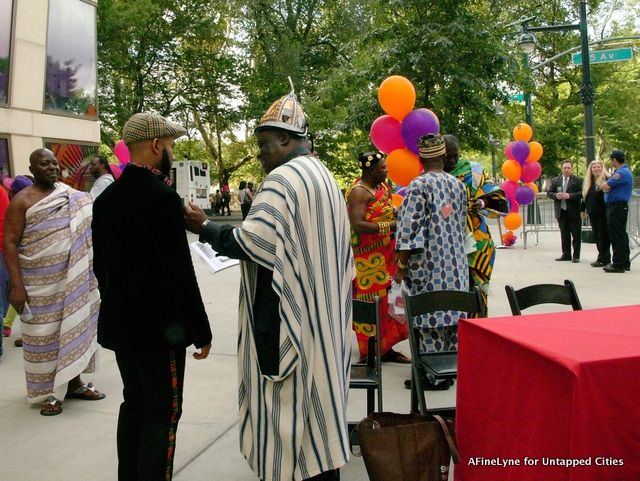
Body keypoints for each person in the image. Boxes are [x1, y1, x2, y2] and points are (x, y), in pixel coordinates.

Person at [184, 86, 353, 481]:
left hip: (287, 322)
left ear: (286, 138)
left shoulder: (283, 179)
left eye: (263, 144)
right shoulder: (324, 175)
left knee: (289, 421)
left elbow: (251, 242)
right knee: (320, 417)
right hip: (324, 318)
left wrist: (204, 227)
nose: (259, 153)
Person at [91, 112, 212, 481]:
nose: (172, 152)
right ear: (157, 145)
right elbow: (179, 275)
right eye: (171, 145)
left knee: (135, 405)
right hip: (160, 334)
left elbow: (102, 268)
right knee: (163, 413)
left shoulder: (107, 198)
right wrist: (201, 329)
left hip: (122, 328)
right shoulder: (163, 199)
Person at [3, 149, 104, 415]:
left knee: (75, 327)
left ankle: (75, 384)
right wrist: (16, 285)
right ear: (32, 168)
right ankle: (47, 393)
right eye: (44, 163)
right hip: (38, 285)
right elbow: (10, 243)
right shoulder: (22, 201)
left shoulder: (71, 197)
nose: (52, 167)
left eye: (54, 163)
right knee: (42, 337)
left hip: (74, 279)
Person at [395, 134, 468, 391]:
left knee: (428, 322)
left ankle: (430, 376)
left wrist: (401, 267)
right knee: (450, 319)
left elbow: (408, 233)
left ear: (420, 158)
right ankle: (447, 371)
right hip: (456, 268)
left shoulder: (418, 186)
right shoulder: (458, 186)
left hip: (428, 267)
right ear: (442, 156)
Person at [346, 151, 409, 363]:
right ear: (371, 170)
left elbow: (387, 209)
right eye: (383, 168)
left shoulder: (383, 187)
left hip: (388, 254)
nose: (386, 171)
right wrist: (390, 226)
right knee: (370, 301)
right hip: (367, 259)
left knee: (388, 299)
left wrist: (398, 213)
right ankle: (370, 351)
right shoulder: (358, 193)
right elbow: (357, 224)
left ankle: (386, 347)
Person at [443, 135, 507, 309]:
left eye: (455, 155)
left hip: (478, 240)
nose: (453, 160)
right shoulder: (430, 174)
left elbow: (497, 195)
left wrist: (481, 203)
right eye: (448, 156)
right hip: (446, 242)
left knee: (477, 289)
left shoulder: (473, 171)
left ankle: (476, 323)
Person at [1, 175, 33, 344]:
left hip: (22, 258)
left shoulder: (19, 206)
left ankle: (16, 328)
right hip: (22, 257)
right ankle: (8, 324)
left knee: (19, 291)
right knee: (19, 291)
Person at [601, 149, 632, 273]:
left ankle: (618, 263)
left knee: (616, 235)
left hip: (616, 206)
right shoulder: (623, 172)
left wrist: (605, 186)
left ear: (614, 160)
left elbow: (605, 186)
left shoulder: (621, 173)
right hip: (618, 206)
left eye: (611, 160)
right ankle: (624, 262)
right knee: (621, 234)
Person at [546, 160, 583, 262]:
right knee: (564, 234)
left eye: (569, 168)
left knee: (576, 234)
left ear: (572, 169)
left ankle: (576, 256)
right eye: (565, 168)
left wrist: (570, 196)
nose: (567, 170)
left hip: (574, 211)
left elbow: (582, 193)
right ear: (561, 169)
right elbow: (549, 192)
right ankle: (566, 254)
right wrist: (555, 196)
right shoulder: (555, 180)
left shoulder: (578, 180)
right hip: (561, 211)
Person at [581, 160, 611, 268]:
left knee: (603, 236)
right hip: (592, 213)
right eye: (594, 167)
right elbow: (584, 198)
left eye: (598, 167)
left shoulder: (607, 180)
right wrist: (582, 210)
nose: (596, 169)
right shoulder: (588, 182)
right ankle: (601, 257)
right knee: (597, 236)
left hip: (603, 212)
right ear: (590, 170)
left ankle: (605, 258)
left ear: (602, 168)